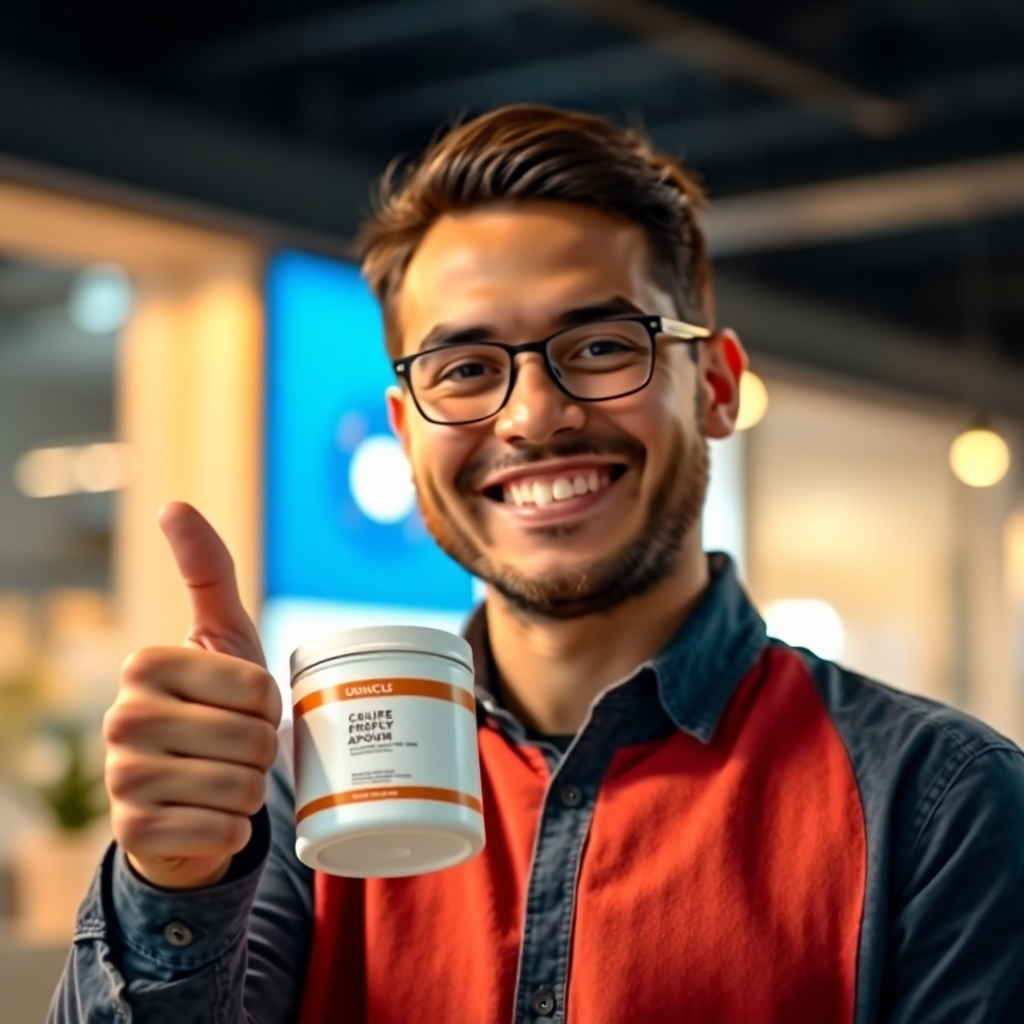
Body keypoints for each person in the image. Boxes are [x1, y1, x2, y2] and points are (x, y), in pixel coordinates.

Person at [53, 105, 1024, 1024]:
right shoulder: (303, 786)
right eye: (465, 370)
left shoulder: (938, 801)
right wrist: (173, 881)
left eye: (600, 346)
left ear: (716, 387)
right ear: (406, 432)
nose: (532, 417)